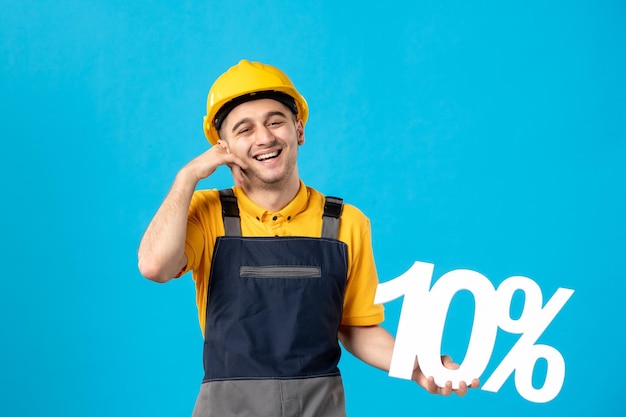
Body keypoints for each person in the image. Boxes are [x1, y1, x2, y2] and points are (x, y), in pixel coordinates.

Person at [138, 59, 479, 417]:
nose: (265, 137)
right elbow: (155, 265)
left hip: (320, 408)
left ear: (299, 130)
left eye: (275, 121)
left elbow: (356, 328)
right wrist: (188, 176)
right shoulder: (207, 213)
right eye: (245, 129)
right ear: (224, 148)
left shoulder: (346, 223)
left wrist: (417, 366)